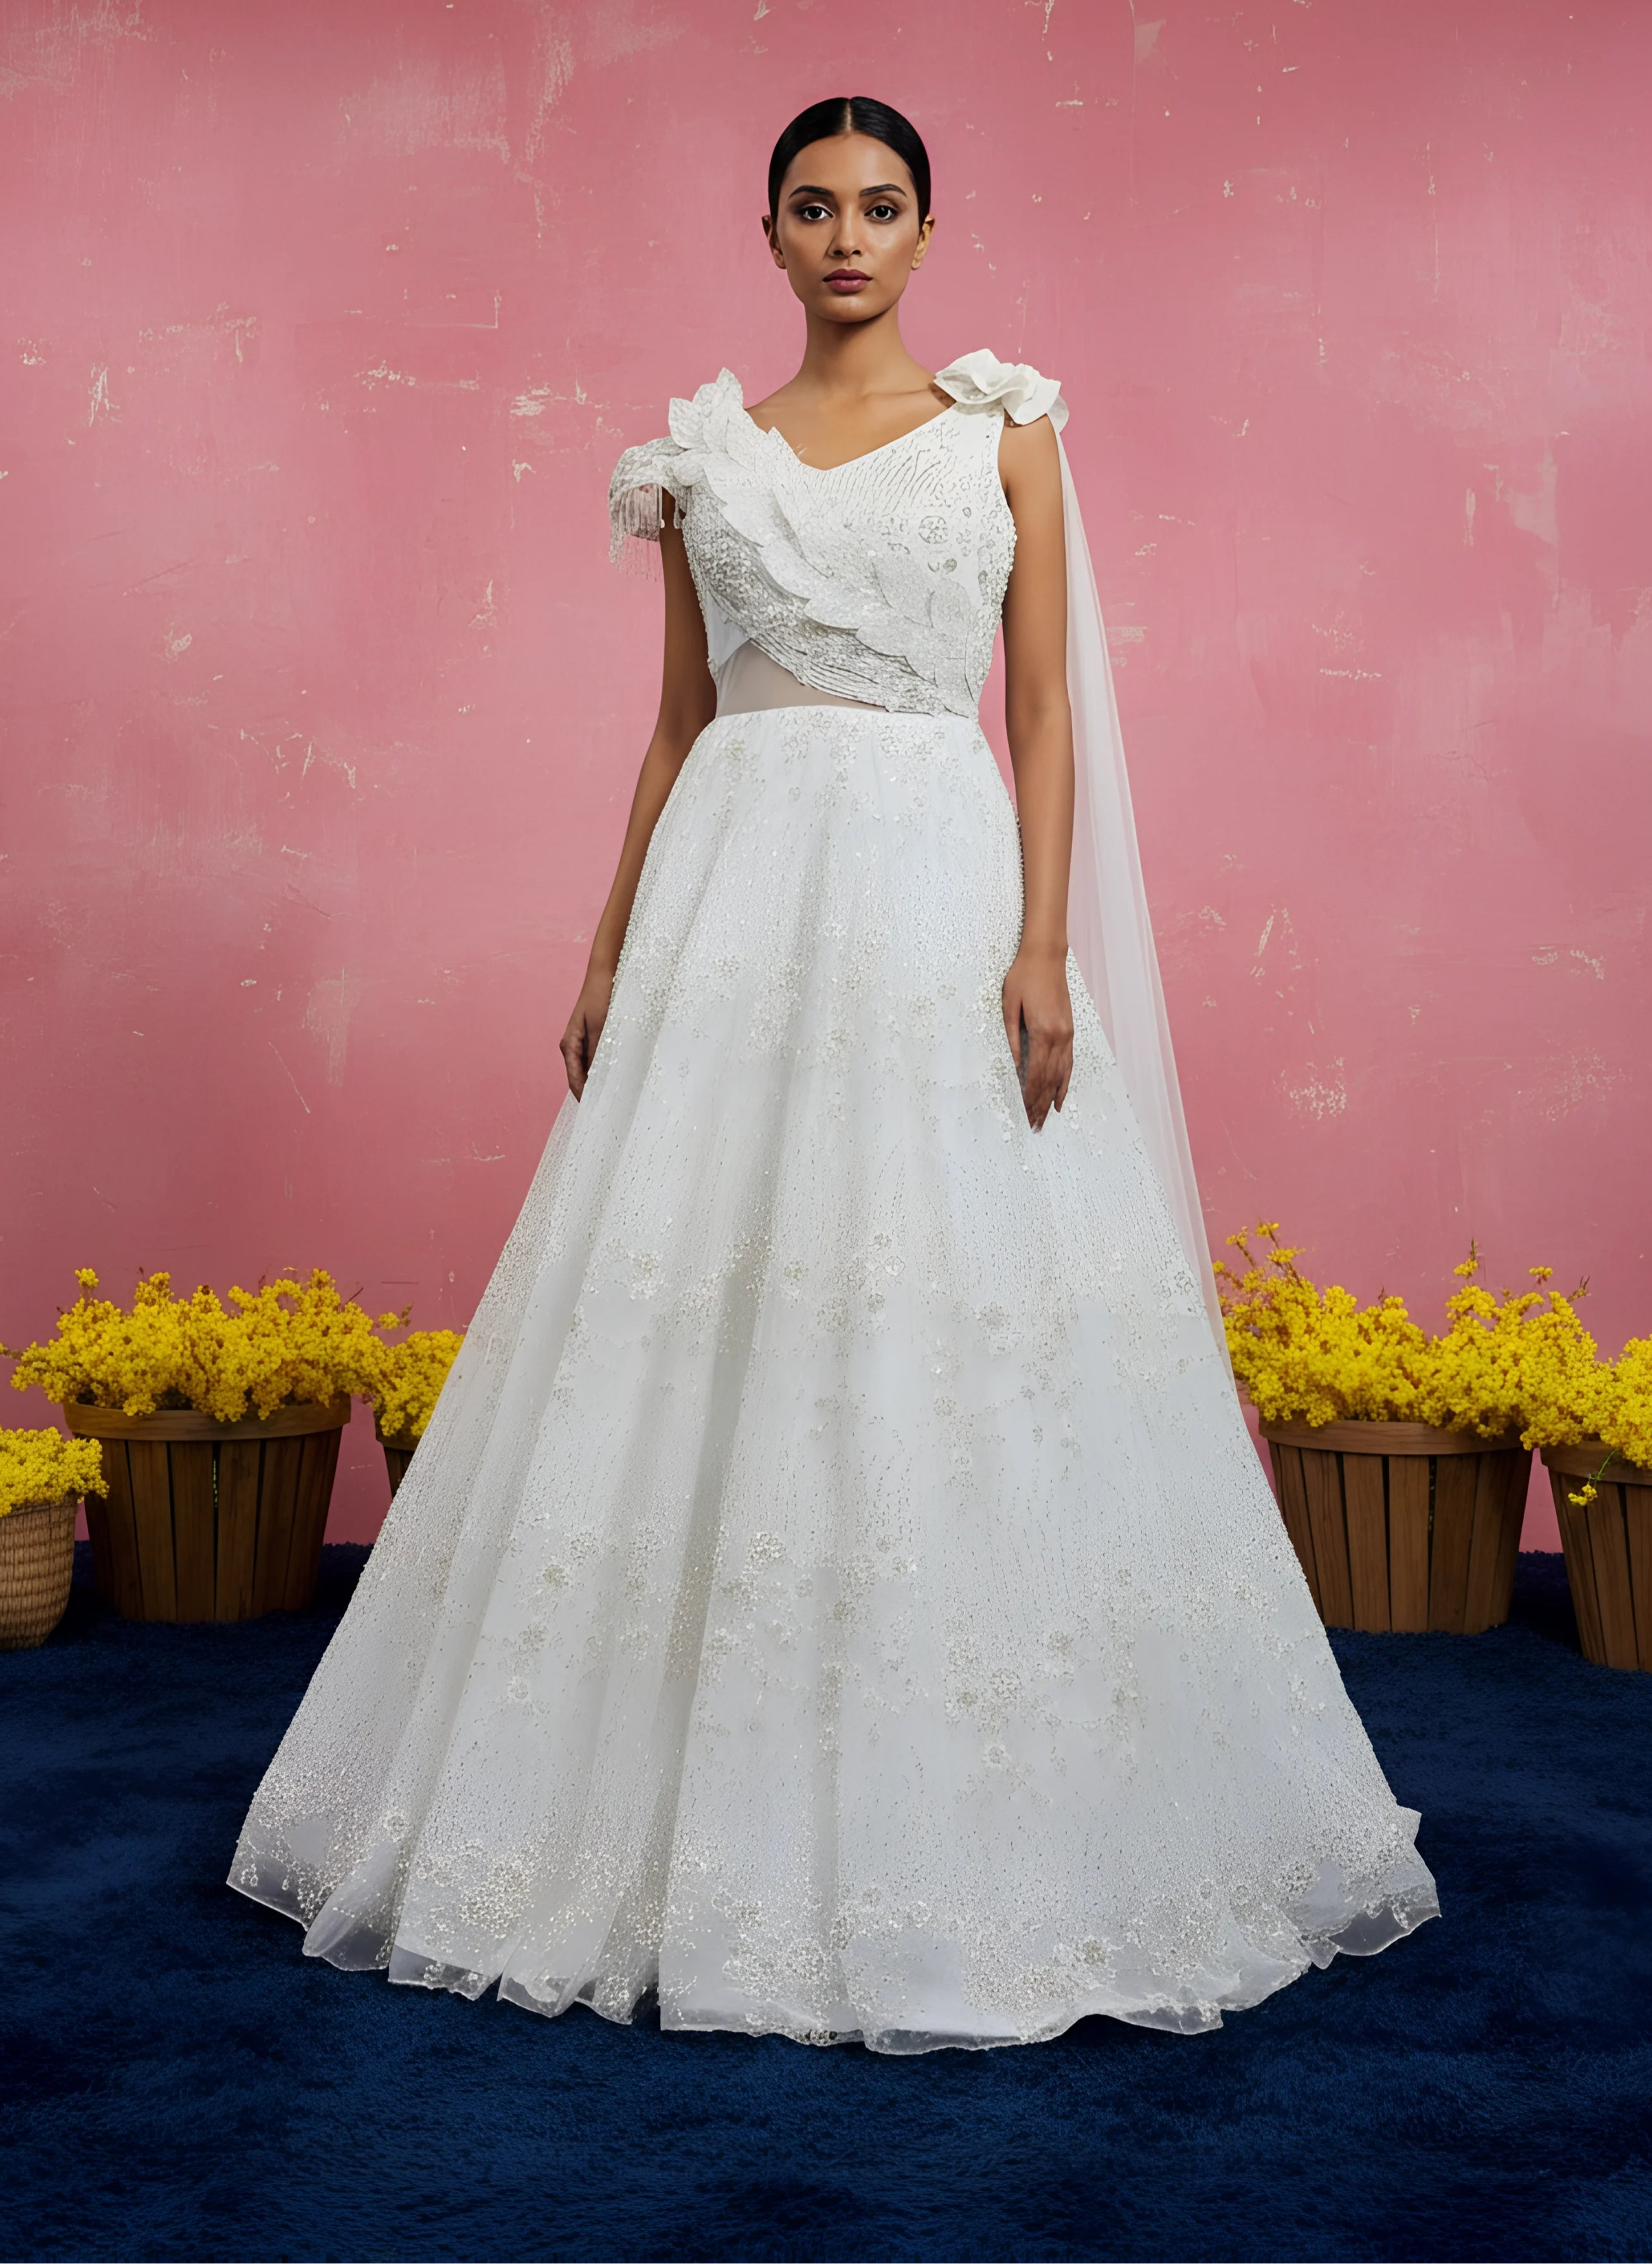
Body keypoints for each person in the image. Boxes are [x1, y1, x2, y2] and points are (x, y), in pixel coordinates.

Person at [230, 97, 1437, 2053]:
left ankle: (980, 1808)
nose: (849, 234)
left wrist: (1038, 941)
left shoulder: (1007, 432)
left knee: (949, 1305)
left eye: (882, 205)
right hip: (733, 903)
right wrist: (606, 946)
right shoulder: (702, 461)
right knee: (703, 1312)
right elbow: (674, 724)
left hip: (935, 892)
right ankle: (662, 1811)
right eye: (815, 206)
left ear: (929, 230)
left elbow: (1039, 706)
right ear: (771, 234)